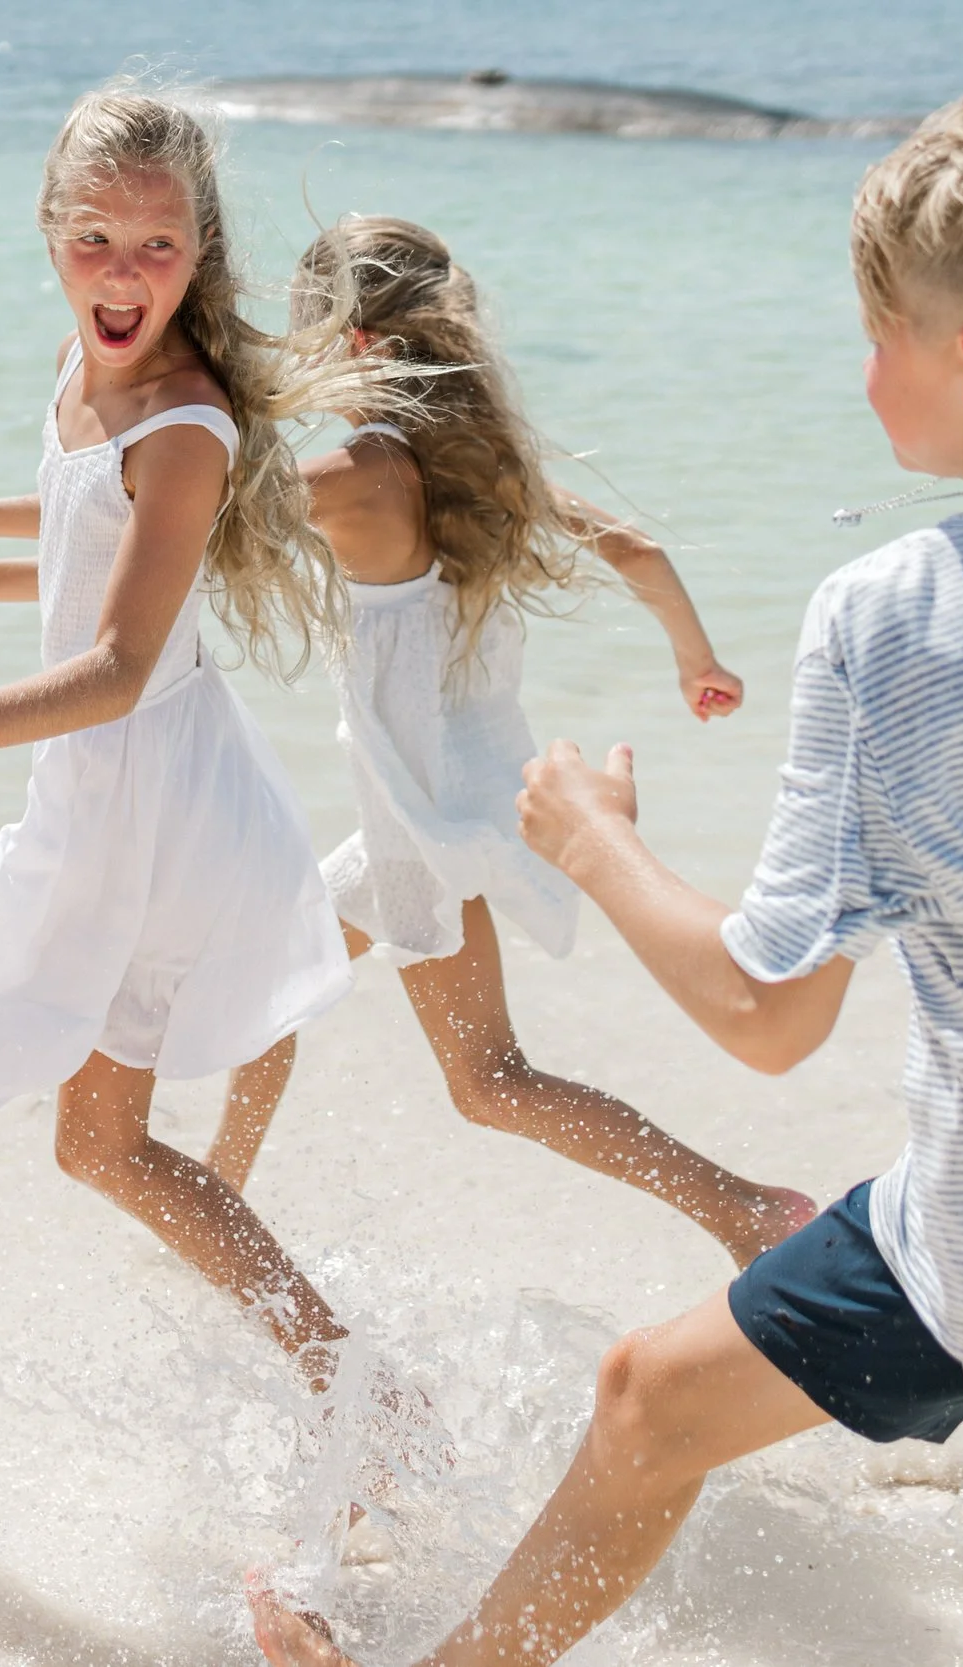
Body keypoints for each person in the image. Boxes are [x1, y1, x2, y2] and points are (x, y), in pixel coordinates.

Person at [254, 43, 963, 1667]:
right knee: (649, 1395)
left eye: (882, 338)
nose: (862, 370)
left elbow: (764, 1010)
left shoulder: (900, 619)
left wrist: (589, 841)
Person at [0, 83, 392, 1388]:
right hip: (128, 792)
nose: (124, 276)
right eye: (95, 242)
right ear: (47, 228)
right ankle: (362, 1385)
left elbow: (121, 663)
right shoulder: (86, 360)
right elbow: (107, 558)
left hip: (137, 806)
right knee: (100, 1142)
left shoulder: (189, 426)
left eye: (158, 248)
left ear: (200, 251)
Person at [203, 216, 813, 1269]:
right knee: (269, 980)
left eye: (300, 338)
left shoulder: (356, 473)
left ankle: (746, 1209)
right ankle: (218, 1200)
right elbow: (636, 546)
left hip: (431, 822)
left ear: (348, 346)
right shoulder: (477, 465)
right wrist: (694, 658)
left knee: (489, 1080)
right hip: (453, 795)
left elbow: (176, 520)